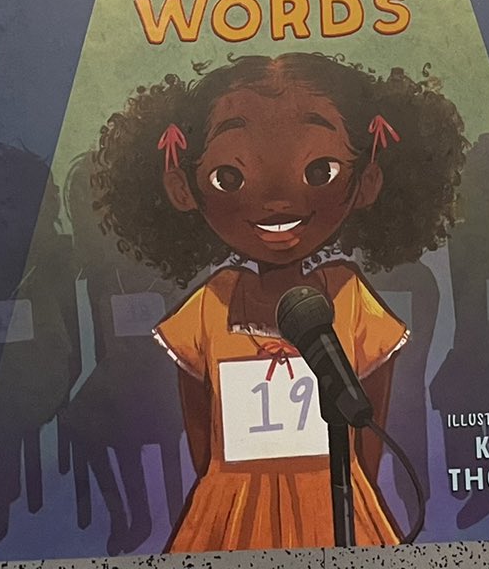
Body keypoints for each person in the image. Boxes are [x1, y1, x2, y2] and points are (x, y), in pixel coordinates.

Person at [90, 52, 466, 550]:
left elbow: (366, 432)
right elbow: (203, 441)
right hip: (228, 514)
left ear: (367, 180)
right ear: (183, 188)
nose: (276, 201)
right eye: (229, 177)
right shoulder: (209, 306)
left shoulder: (351, 298)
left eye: (320, 170)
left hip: (338, 508)